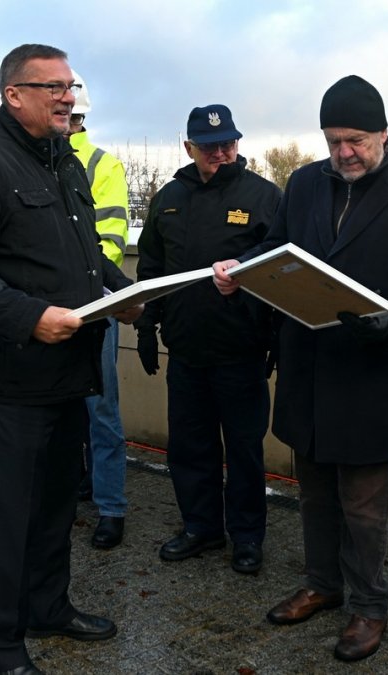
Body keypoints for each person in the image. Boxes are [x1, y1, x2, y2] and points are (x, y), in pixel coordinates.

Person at [213, 75, 388, 660]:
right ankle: (322, 586)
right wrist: (242, 270)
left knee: (364, 506)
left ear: (383, 133)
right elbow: (277, 249)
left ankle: (368, 607)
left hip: (376, 375)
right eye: (332, 141)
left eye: (355, 140)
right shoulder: (303, 183)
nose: (343, 153)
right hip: (309, 370)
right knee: (314, 494)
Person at [0, 44, 141, 675]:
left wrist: (118, 293)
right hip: (9, 380)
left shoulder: (65, 161)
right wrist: (28, 317)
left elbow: (85, 253)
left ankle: (49, 608)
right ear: (12, 94)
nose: (66, 97)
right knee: (11, 519)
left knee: (55, 508)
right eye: (51, 87)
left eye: (70, 86)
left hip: (66, 373)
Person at [135, 105, 281, 574]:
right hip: (187, 348)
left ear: (238, 143)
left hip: (241, 350)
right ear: (188, 148)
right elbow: (152, 269)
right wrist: (146, 323)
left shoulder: (263, 196)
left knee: (243, 450)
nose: (220, 153)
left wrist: (276, 339)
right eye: (209, 146)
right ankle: (201, 527)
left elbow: (282, 269)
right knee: (190, 447)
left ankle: (247, 537)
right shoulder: (169, 197)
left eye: (227, 144)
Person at [65, 70, 131, 550]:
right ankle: (72, 489)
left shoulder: (101, 165)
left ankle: (111, 507)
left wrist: (75, 289)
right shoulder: (24, 161)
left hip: (92, 303)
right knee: (60, 410)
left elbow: (109, 239)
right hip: (44, 308)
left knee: (100, 409)